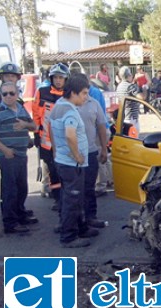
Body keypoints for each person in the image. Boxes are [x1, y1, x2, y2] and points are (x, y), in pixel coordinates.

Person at [0, 82, 38, 234]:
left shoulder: (21, 109)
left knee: (22, 188)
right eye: (5, 93)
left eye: (11, 93)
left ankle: (20, 215)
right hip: (8, 156)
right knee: (10, 190)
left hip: (21, 154)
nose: (8, 96)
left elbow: (34, 126)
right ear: (1, 95)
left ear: (17, 94)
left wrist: (25, 124)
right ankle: (10, 223)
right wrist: (5, 150)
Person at [49, 75, 95, 248]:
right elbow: (70, 134)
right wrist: (77, 155)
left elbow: (51, 129)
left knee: (70, 196)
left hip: (62, 159)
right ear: (73, 93)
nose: (86, 97)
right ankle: (69, 236)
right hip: (71, 163)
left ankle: (79, 228)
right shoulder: (69, 110)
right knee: (72, 199)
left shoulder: (58, 106)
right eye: (83, 93)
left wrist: (55, 150)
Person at [71, 73, 111, 230]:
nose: (87, 95)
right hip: (70, 156)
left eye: (88, 91)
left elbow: (102, 126)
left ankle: (90, 217)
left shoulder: (94, 104)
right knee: (73, 190)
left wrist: (103, 148)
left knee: (89, 188)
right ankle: (72, 221)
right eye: (84, 92)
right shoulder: (64, 105)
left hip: (90, 152)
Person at [32, 63, 69, 211]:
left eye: (61, 78)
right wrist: (36, 133)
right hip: (46, 140)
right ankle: (57, 199)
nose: (58, 80)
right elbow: (35, 114)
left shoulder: (69, 93)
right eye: (56, 78)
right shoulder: (42, 91)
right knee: (53, 171)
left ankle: (67, 199)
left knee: (65, 170)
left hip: (65, 140)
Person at [116, 66, 147, 132]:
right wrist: (144, 88)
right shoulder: (130, 86)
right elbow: (142, 98)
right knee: (134, 140)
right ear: (129, 75)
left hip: (124, 117)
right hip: (132, 118)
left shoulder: (119, 86)